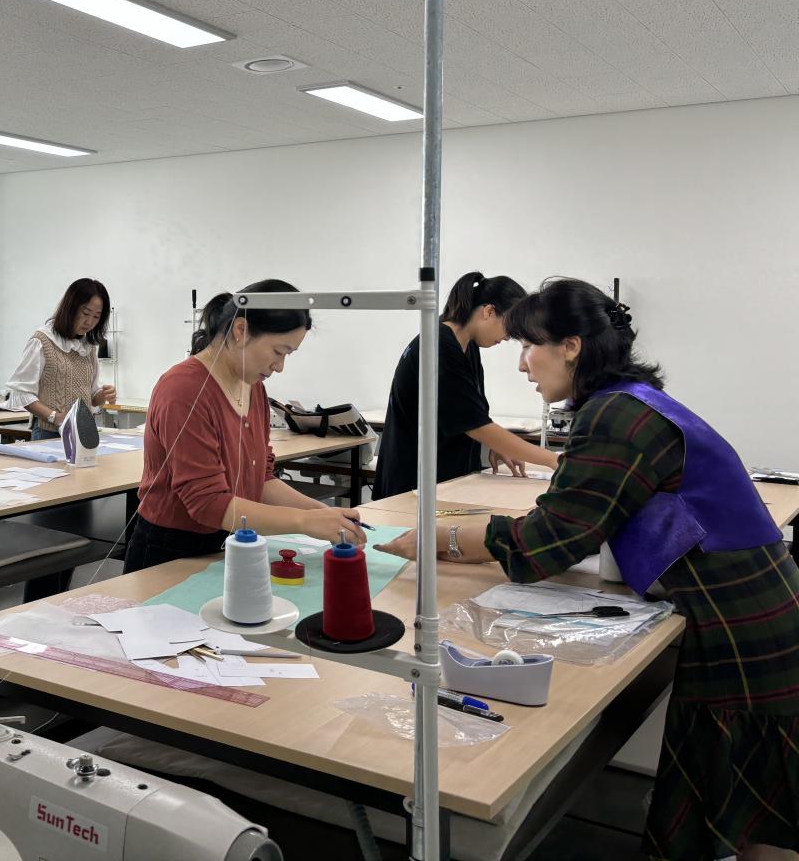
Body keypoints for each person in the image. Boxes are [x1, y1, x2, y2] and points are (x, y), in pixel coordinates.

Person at [378, 279, 799, 861]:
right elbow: (586, 516)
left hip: (740, 621)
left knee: (751, 801)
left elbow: (552, 539)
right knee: (754, 803)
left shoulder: (614, 415)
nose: (522, 364)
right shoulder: (632, 400)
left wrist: (441, 539)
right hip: (751, 604)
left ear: (571, 346)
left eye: (530, 346)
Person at [124, 280, 366, 574]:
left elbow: (260, 480)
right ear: (241, 330)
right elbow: (208, 504)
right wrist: (305, 522)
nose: (280, 366)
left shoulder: (253, 387)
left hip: (230, 541)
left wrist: (324, 514)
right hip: (169, 553)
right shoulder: (183, 389)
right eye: (279, 351)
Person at [372, 271, 558, 500]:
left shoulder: (466, 346)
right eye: (509, 329)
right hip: (413, 483)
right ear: (488, 312)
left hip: (446, 480)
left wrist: (500, 444)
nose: (507, 338)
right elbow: (474, 424)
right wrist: (552, 459)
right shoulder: (438, 346)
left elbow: (469, 410)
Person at [7, 278, 117, 441]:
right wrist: (54, 416)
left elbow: (93, 397)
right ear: (70, 307)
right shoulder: (42, 340)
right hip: (48, 432)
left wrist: (104, 395)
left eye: (96, 316)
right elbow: (21, 392)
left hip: (83, 433)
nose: (89, 322)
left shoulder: (88, 347)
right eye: (85, 313)